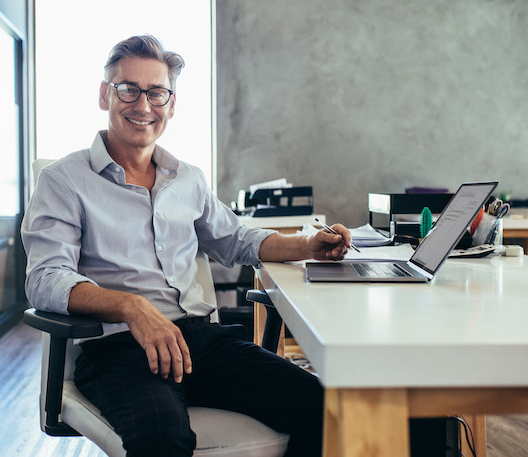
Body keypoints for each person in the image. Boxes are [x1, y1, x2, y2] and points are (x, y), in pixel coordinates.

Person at [21, 34, 353, 457]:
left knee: (327, 409)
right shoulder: (64, 181)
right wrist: (133, 307)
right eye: (128, 89)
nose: (143, 106)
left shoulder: (188, 178)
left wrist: (309, 244)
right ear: (105, 94)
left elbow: (237, 239)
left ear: (171, 104)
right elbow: (46, 278)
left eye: (156, 92)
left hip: (201, 341)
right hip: (120, 349)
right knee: (162, 438)